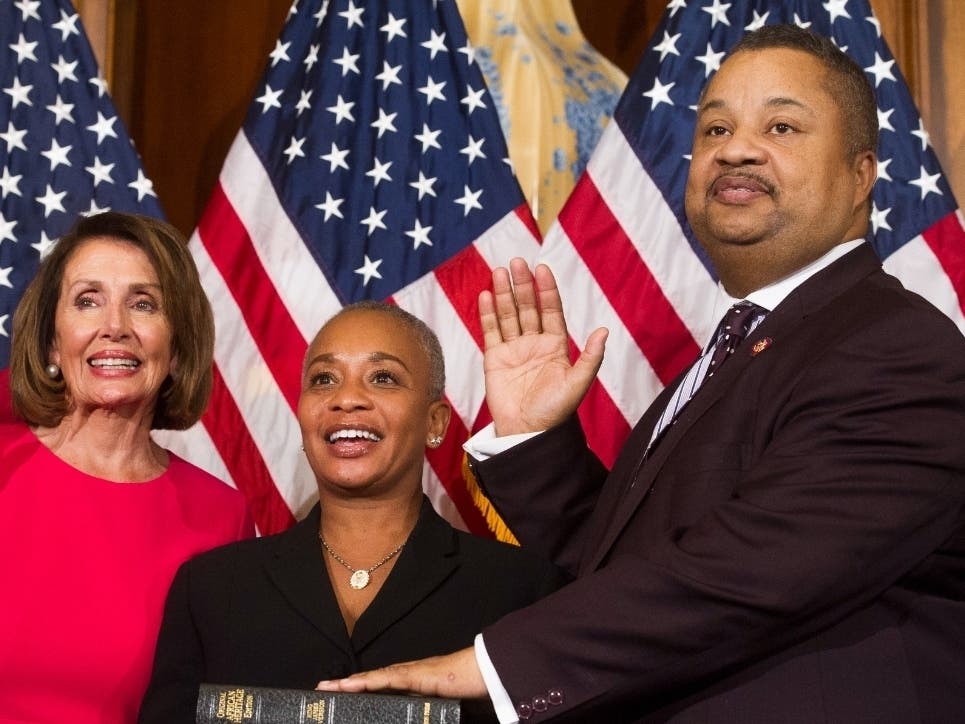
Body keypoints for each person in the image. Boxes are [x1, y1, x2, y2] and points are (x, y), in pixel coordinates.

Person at [315, 24, 965, 723]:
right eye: (714, 128)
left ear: (861, 173)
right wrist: (537, 440)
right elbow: (627, 569)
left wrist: (494, 664)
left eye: (780, 126)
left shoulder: (897, 349)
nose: (735, 148)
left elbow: (749, 573)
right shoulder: (740, 348)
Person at [138, 300, 567, 724]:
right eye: (324, 379)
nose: (346, 399)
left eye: (383, 378)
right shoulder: (212, 590)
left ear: (435, 423)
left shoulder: (521, 591)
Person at [0, 212, 254, 724]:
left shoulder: (221, 517)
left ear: (178, 348)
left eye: (143, 303)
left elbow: (215, 706)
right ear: (52, 341)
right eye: (88, 300)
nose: (114, 327)